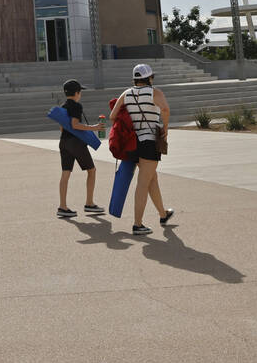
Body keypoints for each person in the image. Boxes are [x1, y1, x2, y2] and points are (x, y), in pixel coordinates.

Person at [109, 63, 174, 235]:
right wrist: (164, 129)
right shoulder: (155, 92)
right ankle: (138, 224)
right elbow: (165, 109)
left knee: (152, 179)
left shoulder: (126, 93)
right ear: (150, 77)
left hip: (132, 143)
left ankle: (163, 214)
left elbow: (112, 116)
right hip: (149, 142)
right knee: (144, 182)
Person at [56, 79, 105, 218]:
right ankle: (89, 203)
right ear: (77, 93)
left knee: (65, 173)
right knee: (91, 170)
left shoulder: (62, 107)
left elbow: (62, 127)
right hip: (76, 142)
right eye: (80, 91)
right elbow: (75, 125)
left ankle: (63, 206)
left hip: (64, 141)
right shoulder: (77, 106)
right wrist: (94, 128)